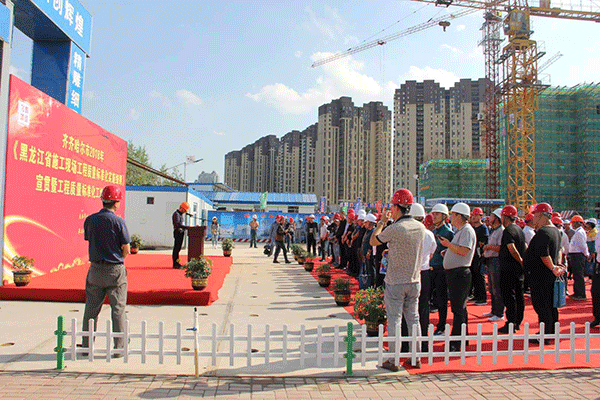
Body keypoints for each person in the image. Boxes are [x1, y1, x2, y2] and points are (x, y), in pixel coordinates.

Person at [370, 188, 426, 370]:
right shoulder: (420, 227)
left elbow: (374, 240)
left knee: (395, 319)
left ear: (396, 207)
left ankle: (394, 359)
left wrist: (382, 222)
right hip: (414, 279)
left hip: (395, 281)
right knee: (414, 319)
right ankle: (416, 357)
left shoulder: (395, 228)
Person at [81, 185, 131, 357]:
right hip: (114, 269)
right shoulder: (119, 222)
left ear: (103, 200)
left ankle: (87, 346)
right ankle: (119, 348)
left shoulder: (90, 220)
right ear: (116, 203)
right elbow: (126, 248)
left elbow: (89, 239)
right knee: (118, 309)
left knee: (91, 308)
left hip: (95, 269)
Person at [438, 203, 476, 351]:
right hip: (456, 272)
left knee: (458, 309)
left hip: (459, 273)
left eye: (453, 215)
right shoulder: (462, 231)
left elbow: (464, 250)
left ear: (460, 216)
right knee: (460, 308)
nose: (451, 218)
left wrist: (448, 245)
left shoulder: (466, 230)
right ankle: (462, 338)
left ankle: (456, 341)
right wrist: (448, 251)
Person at [524, 202, 565, 342]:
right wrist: (557, 265)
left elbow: (544, 254)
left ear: (541, 216)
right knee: (551, 305)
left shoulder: (543, 232)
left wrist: (553, 267)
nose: (533, 218)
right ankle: (551, 331)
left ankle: (545, 334)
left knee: (542, 306)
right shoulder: (555, 231)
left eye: (535, 215)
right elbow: (559, 250)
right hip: (548, 275)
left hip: (541, 275)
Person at [401, 203, 436, 353]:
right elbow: (432, 252)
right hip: (424, 273)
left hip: (409, 273)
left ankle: (405, 344)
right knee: (423, 309)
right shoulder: (429, 234)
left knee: (406, 310)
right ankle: (423, 344)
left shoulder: (406, 233)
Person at [497, 205, 527, 334]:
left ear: (505, 217)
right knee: (519, 295)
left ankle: (511, 322)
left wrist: (520, 260)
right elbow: (524, 246)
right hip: (517, 270)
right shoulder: (519, 229)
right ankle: (517, 321)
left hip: (509, 269)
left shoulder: (508, 231)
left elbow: (511, 248)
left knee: (509, 296)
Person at [430, 203, 453, 336]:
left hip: (441, 269)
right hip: (431, 267)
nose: (434, 217)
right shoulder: (434, 232)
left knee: (441, 298)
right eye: (433, 214)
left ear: (444, 216)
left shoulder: (448, 233)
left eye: (437, 214)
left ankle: (442, 325)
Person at [482, 208, 505, 322]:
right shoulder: (493, 230)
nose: (489, 218)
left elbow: (501, 247)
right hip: (490, 260)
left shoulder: (501, 231)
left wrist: (488, 247)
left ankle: (499, 313)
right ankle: (494, 310)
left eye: (492, 216)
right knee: (492, 287)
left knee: (497, 288)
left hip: (496, 260)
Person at [469, 207, 489, 306]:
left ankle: (482, 297)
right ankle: (476, 295)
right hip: (473, 255)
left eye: (476, 215)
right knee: (474, 275)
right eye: (473, 215)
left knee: (479, 276)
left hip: (479, 255)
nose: (474, 217)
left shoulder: (483, 228)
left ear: (481, 216)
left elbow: (483, 242)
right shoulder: (473, 228)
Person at [568, 215, 589, 300]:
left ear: (577, 223)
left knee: (578, 275)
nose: (572, 225)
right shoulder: (578, 232)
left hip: (578, 255)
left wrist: (586, 254)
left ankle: (580, 294)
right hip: (576, 255)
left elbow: (582, 245)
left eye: (573, 223)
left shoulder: (579, 232)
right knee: (577, 275)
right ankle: (578, 293)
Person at [172, 202, 191, 268]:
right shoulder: (176, 214)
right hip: (178, 232)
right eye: (185, 210)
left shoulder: (180, 215)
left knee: (178, 248)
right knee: (176, 248)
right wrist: (187, 227)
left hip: (181, 232)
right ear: (182, 208)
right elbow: (178, 224)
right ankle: (175, 263)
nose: (185, 212)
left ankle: (177, 262)